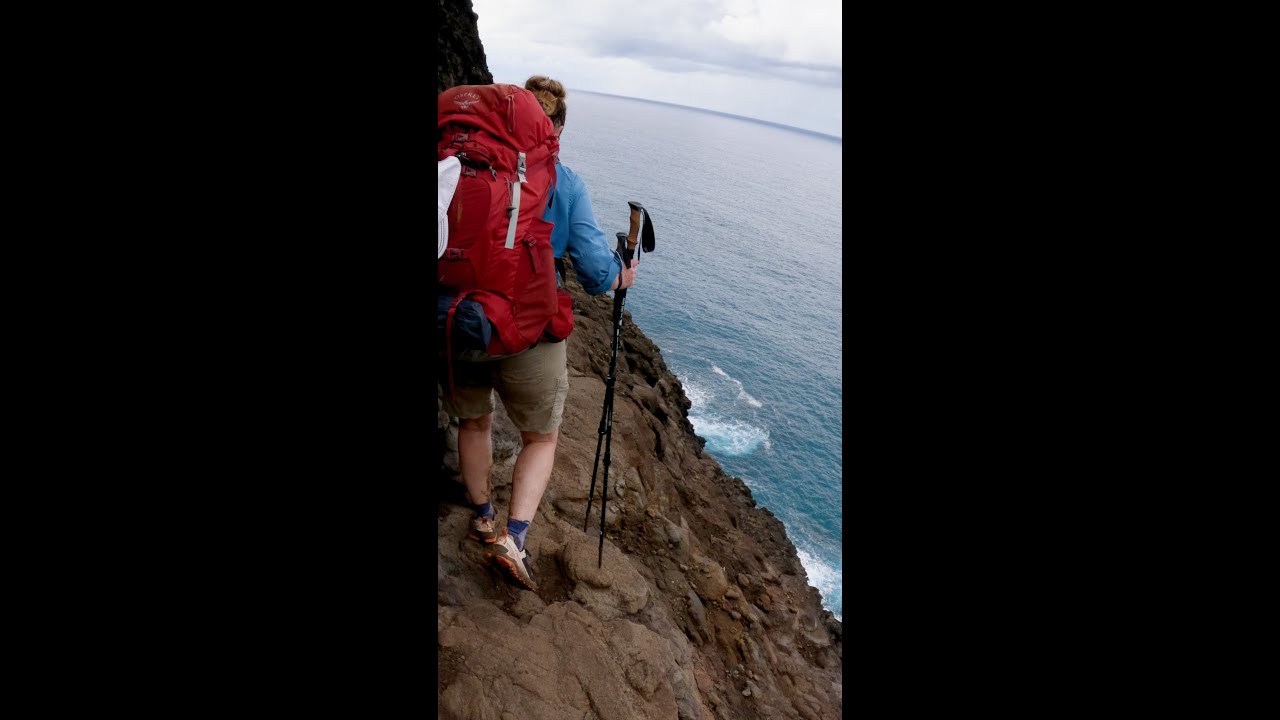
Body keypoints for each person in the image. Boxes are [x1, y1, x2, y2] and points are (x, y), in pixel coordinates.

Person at [442, 75, 639, 591]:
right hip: (528, 329)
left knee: (474, 423)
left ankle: (482, 514)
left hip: (459, 317)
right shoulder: (565, 182)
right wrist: (624, 274)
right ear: (557, 131)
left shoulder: (459, 164)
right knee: (542, 436)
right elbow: (598, 273)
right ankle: (514, 536)